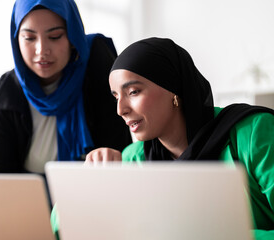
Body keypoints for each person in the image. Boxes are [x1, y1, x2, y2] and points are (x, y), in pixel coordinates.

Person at [85, 37, 274, 239]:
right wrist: (92, 183)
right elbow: (61, 227)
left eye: (133, 92)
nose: (120, 110)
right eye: (116, 97)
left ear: (173, 90)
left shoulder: (255, 133)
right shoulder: (135, 159)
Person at [0, 0, 132, 174]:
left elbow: (119, 156)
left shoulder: (97, 69)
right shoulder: (4, 94)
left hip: (95, 194)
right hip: (27, 199)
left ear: (73, 36)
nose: (42, 50)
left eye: (55, 37)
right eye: (29, 38)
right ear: (17, 40)